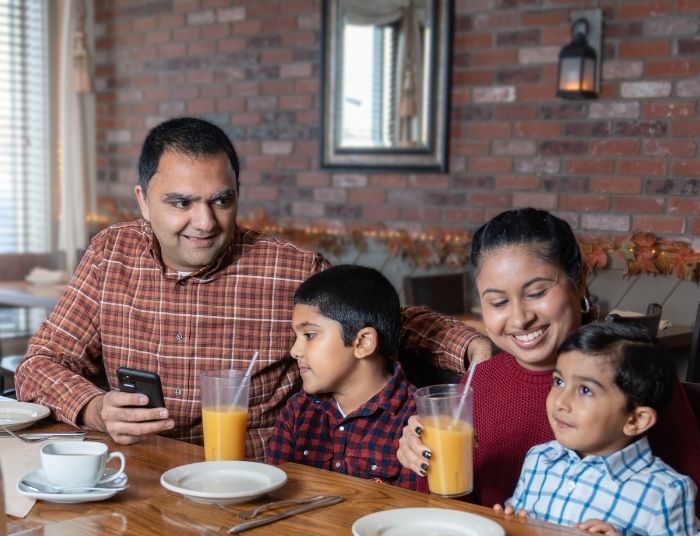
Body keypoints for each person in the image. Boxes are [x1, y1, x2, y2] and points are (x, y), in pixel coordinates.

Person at [15, 117, 489, 458]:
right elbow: (38, 364)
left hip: (252, 485)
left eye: (222, 200)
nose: (204, 222)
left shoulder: (288, 268)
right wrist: (95, 408)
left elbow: (376, 318)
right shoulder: (111, 253)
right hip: (138, 471)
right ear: (143, 201)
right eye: (181, 202)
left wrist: (471, 346)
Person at [397, 208, 700, 512]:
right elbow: (450, 514)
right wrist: (425, 460)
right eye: (498, 302)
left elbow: (688, 513)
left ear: (578, 282)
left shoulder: (633, 376)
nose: (520, 318)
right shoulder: (478, 384)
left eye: (537, 292)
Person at [496, 323, 699, 536]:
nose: (560, 402)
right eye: (558, 382)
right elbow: (518, 515)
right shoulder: (539, 459)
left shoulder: (666, 492)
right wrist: (509, 521)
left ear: (636, 420)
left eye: (585, 390)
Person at [267, 265, 424, 489]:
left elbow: (418, 514)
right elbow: (274, 495)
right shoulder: (297, 411)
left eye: (309, 335)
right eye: (296, 336)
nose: (294, 351)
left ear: (363, 343)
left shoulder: (416, 419)